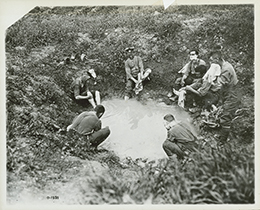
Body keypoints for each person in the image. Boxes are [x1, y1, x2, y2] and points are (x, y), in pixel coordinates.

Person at [207, 50, 241, 145]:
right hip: (228, 92)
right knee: (222, 112)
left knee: (225, 117)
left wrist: (208, 85)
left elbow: (218, 85)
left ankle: (222, 142)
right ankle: (222, 134)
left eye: (211, 61)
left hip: (232, 94)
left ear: (217, 59)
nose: (210, 63)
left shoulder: (226, 69)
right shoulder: (223, 66)